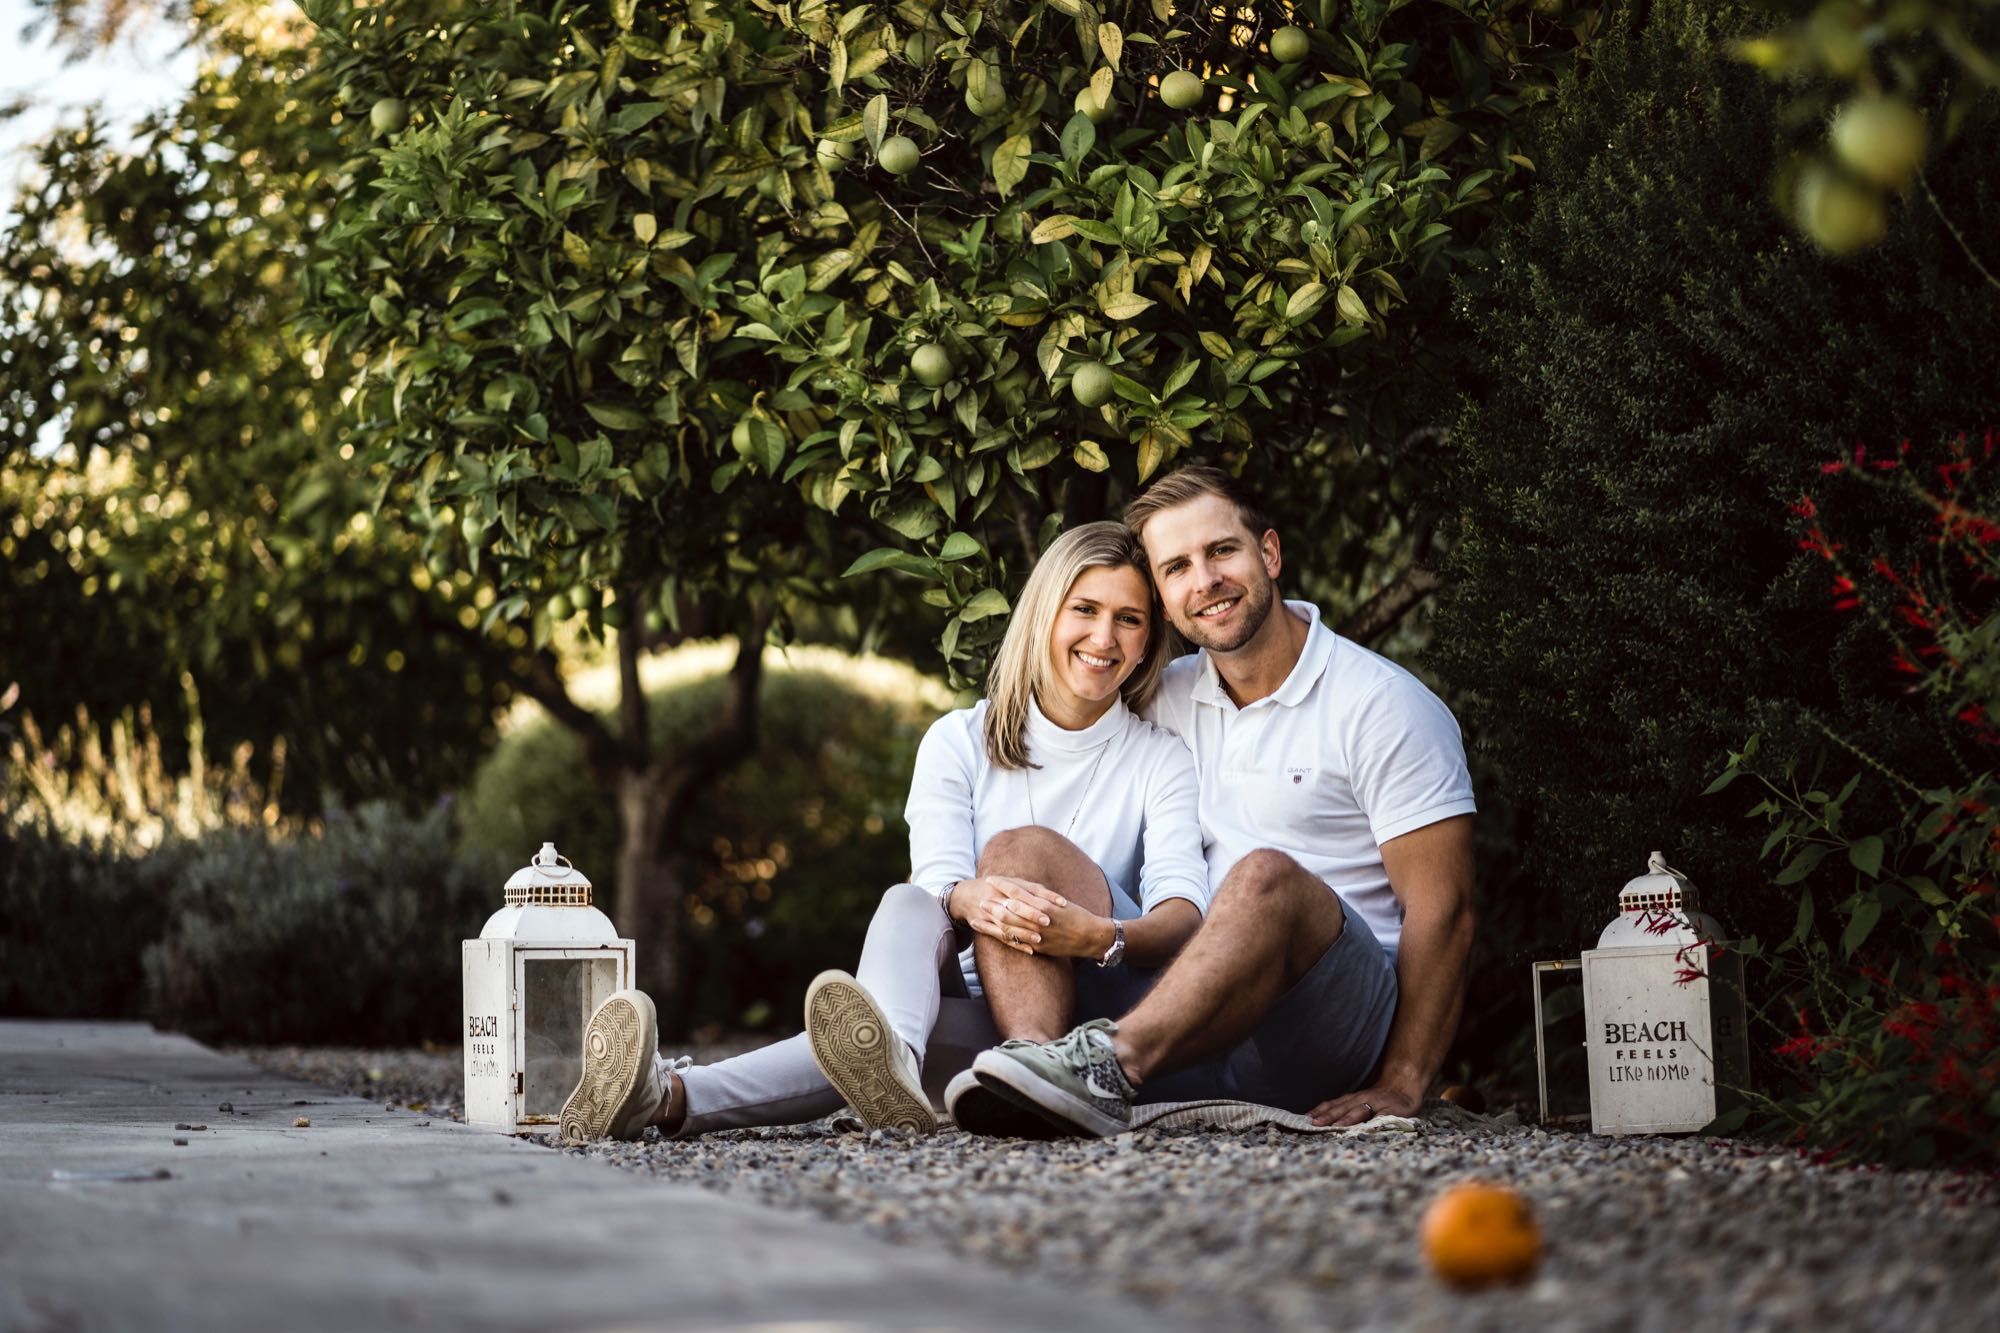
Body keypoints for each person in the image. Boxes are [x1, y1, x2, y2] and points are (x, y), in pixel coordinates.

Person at [557, 521, 1210, 1144]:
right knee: (905, 908)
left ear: (1150, 640)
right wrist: (964, 898)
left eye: (1130, 619)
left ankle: (894, 1057)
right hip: (979, 1017)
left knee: (1016, 853)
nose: (1105, 635)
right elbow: (935, 884)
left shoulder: (1160, 756)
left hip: (1090, 1016)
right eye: (1086, 609)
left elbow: (1183, 915)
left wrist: (1094, 935)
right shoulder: (958, 740)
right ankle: (672, 1095)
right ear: (1045, 613)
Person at [964, 465, 1477, 1137]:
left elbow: (1449, 907)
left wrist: (1406, 1078)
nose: (1203, 580)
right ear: (1165, 602)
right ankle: (1038, 1068)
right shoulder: (1161, 698)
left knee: (1266, 875)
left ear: (1268, 553)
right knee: (1016, 850)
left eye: (1221, 551)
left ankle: (1105, 1064)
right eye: (1176, 567)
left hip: (1323, 1022)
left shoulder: (1383, 706)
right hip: (1188, 1007)